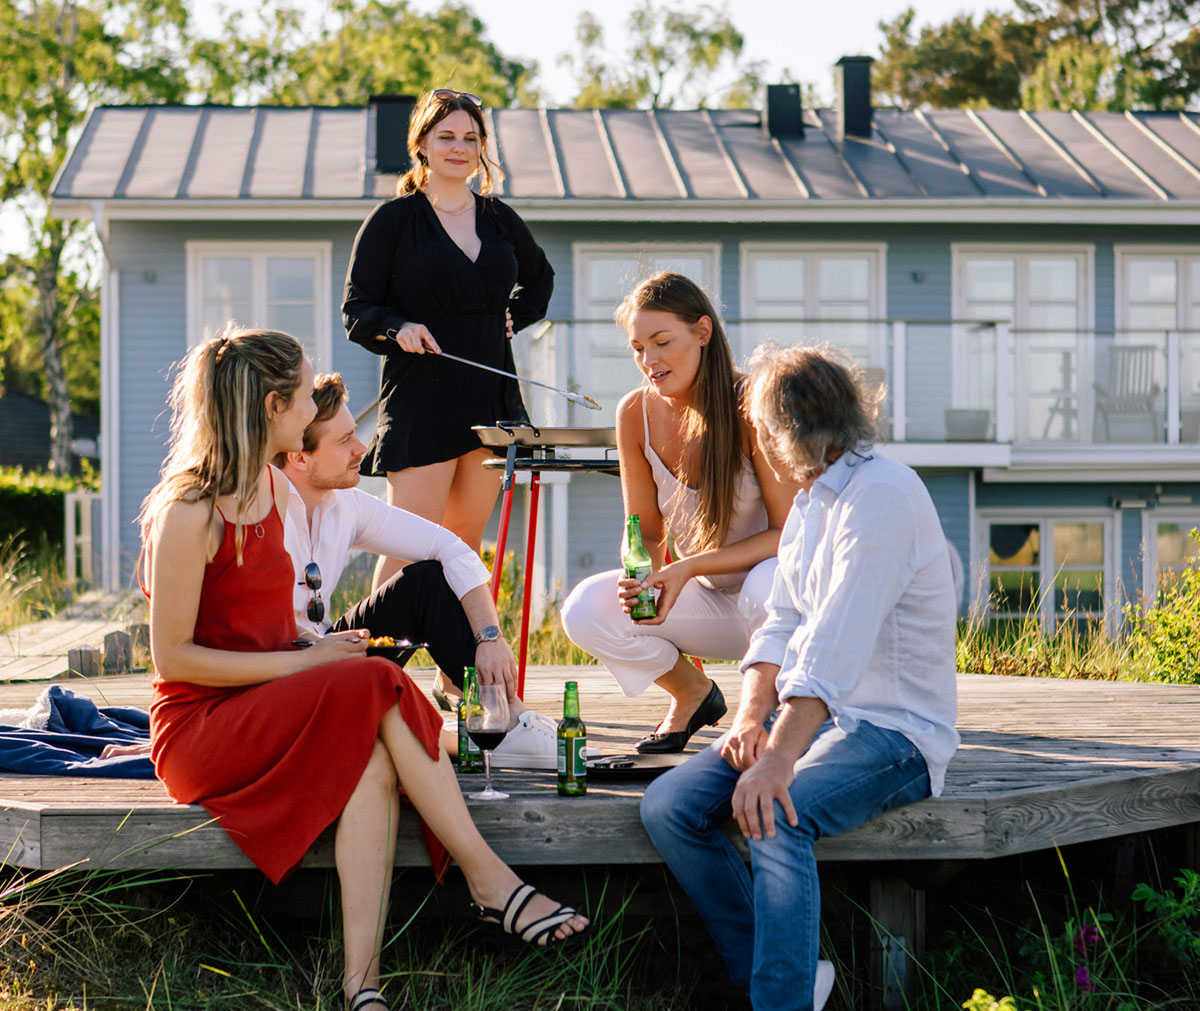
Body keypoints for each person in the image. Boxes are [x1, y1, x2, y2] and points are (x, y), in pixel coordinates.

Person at [139, 328, 589, 1011]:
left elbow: (272, 615)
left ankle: (362, 987)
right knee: (381, 678)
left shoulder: (274, 490)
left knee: (373, 763)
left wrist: (310, 648)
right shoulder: (188, 510)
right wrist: (312, 662)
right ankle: (491, 881)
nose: (315, 403)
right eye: (304, 394)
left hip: (271, 693)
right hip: (204, 726)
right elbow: (174, 658)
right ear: (272, 408)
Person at [639, 343, 960, 1011]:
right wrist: (751, 717)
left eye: (758, 428)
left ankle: (777, 998)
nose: (755, 440)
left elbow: (834, 652)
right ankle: (785, 973)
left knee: (775, 812)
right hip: (817, 717)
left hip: (894, 731)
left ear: (786, 434)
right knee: (668, 807)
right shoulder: (816, 499)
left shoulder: (882, 499)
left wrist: (778, 758)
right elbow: (782, 622)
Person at [560, 273, 796, 753]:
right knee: (585, 608)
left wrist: (687, 567)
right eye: (638, 348)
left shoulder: (754, 406)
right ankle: (693, 694)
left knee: (766, 579)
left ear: (702, 332)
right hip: (710, 605)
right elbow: (644, 531)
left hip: (780, 611)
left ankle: (780, 710)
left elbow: (788, 534)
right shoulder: (635, 414)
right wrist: (641, 576)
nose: (649, 360)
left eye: (662, 342)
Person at [275, 371, 556, 767]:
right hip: (279, 675)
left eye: (356, 433)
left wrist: (489, 637)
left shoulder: (344, 503)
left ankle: (507, 718)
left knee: (425, 580)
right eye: (344, 441)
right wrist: (313, 646)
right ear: (299, 456)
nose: (361, 448)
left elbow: (449, 547)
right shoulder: (258, 509)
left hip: (328, 654)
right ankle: (481, 739)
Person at [342, 88, 554, 591]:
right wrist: (400, 327)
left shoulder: (499, 217)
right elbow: (358, 310)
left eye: (470, 137)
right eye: (446, 137)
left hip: (489, 400)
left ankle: (455, 670)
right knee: (411, 546)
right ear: (422, 144)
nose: (459, 147)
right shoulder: (392, 221)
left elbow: (540, 279)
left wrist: (513, 315)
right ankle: (379, 667)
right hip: (421, 400)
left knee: (463, 544)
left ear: (481, 147)